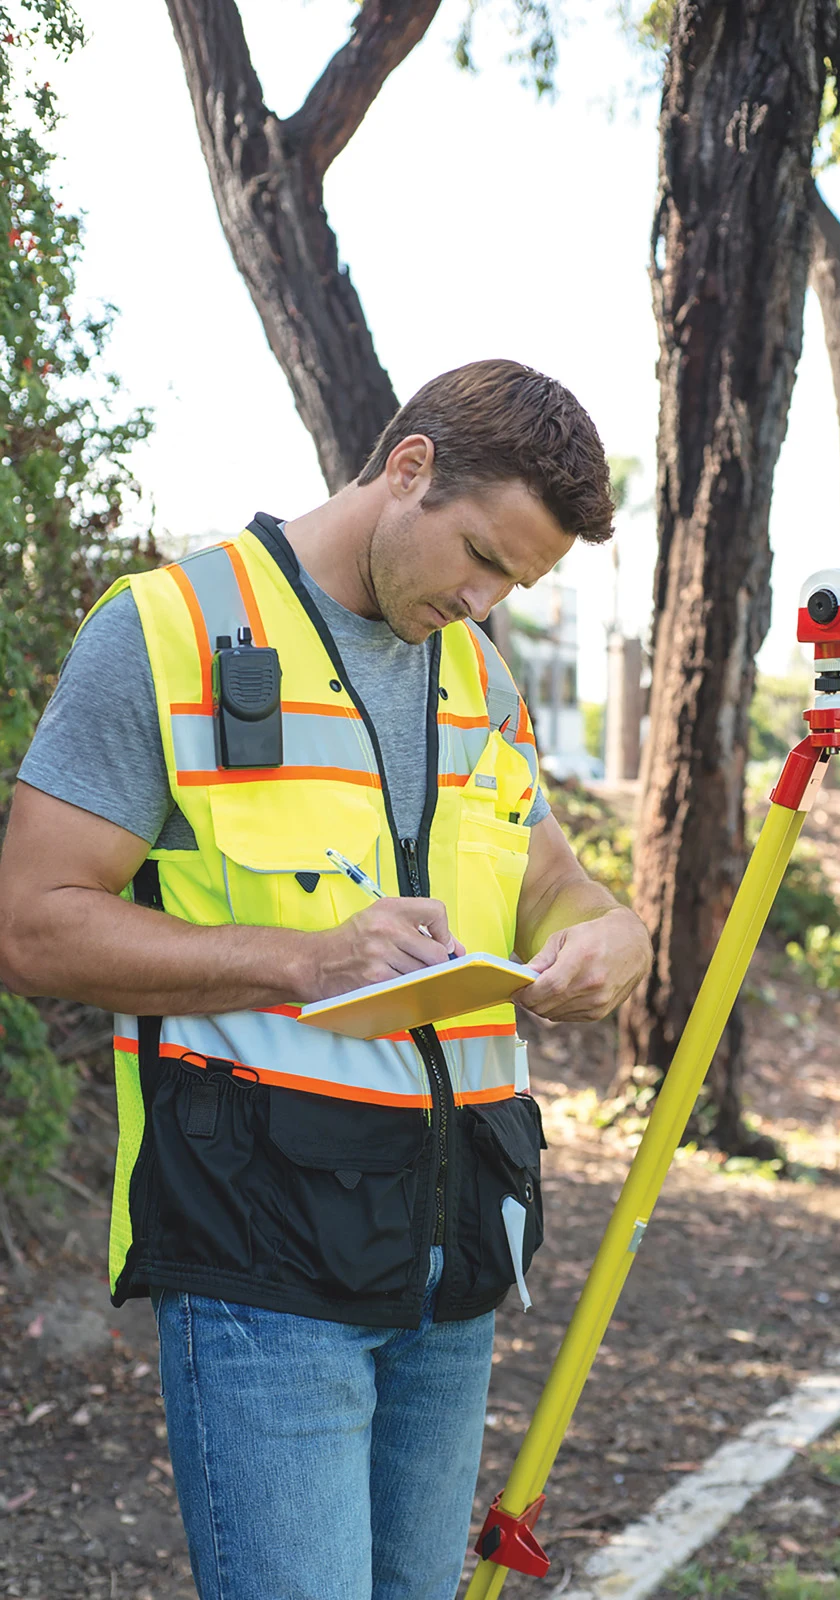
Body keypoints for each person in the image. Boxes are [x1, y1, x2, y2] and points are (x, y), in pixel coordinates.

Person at [0, 358, 652, 1600]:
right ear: (406, 467)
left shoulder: (479, 673)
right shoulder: (169, 632)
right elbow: (30, 927)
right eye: (480, 556)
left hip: (453, 1264)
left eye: (516, 579)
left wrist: (608, 928)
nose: (485, 597)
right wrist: (306, 959)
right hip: (261, 1266)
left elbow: (549, 877)